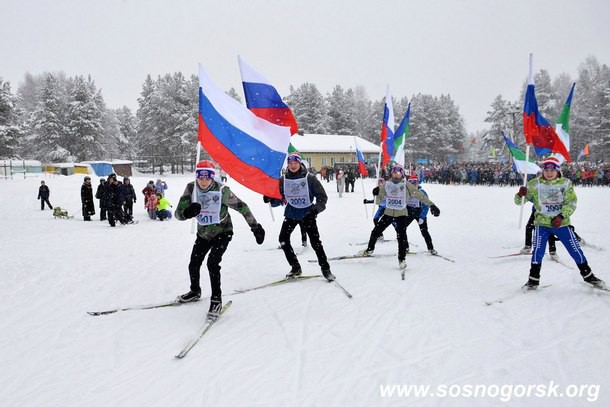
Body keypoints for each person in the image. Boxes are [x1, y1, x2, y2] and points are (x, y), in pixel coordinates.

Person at [175, 160, 265, 319]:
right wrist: (188, 212)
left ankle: (216, 299)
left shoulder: (222, 191)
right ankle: (195, 291)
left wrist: (255, 227)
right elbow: (178, 214)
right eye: (200, 177)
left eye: (207, 177)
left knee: (212, 263)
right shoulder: (191, 188)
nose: (203, 181)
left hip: (223, 232)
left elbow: (242, 206)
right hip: (203, 233)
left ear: (212, 177)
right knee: (194, 263)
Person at [515, 157, 605, 289]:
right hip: (542, 224)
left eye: (552, 170)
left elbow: (571, 202)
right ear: (543, 170)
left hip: (561, 224)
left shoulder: (565, 183)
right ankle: (533, 280)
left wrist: (561, 216)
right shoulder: (535, 183)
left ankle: (589, 276)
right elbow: (519, 202)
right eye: (547, 170)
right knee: (537, 251)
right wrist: (520, 194)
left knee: (574, 249)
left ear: (557, 171)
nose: (549, 173)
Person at [264, 153, 335, 282]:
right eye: (290, 164)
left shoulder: (310, 178)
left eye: (295, 163)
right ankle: (295, 267)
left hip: (308, 214)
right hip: (291, 213)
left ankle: (326, 269)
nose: (292, 166)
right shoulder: (283, 179)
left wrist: (314, 211)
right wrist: (270, 198)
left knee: (315, 243)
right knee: (283, 239)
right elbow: (280, 199)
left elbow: (322, 198)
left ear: (299, 163)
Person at [359, 164, 440, 270]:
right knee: (375, 231)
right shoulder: (387, 184)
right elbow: (379, 201)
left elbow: (420, 195)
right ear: (391, 173)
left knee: (401, 237)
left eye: (398, 172)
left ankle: (401, 259)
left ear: (402, 174)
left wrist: (432, 205)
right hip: (388, 213)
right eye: (394, 172)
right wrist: (376, 193)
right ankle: (369, 249)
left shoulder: (406, 185)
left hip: (401, 214)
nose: (396, 174)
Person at [405, 174, 437, 254]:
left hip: (419, 213)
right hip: (409, 213)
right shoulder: (405, 192)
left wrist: (422, 217)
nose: (413, 184)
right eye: (411, 182)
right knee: (401, 229)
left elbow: (426, 206)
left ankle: (431, 248)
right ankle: (405, 247)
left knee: (424, 231)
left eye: (415, 182)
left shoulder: (422, 192)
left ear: (418, 183)